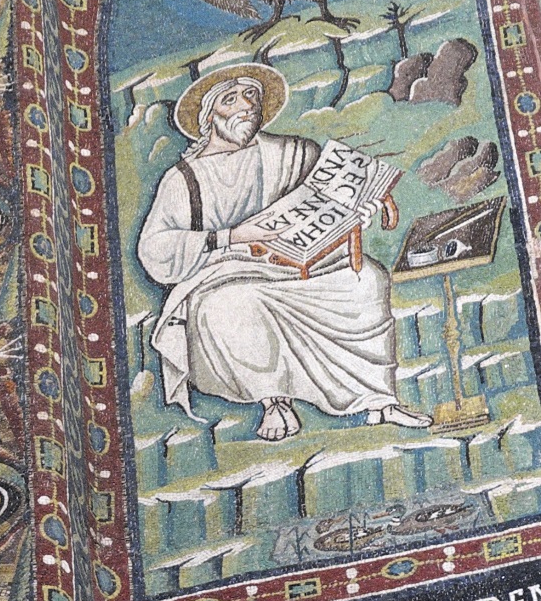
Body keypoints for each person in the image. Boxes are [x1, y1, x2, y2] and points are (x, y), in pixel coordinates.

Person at [137, 63, 432, 443]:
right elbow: (155, 249)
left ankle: (379, 400)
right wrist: (232, 236)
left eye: (251, 96)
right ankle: (274, 400)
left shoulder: (293, 152)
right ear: (209, 116)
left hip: (302, 265)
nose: (246, 107)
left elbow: (331, 200)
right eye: (231, 100)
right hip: (227, 275)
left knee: (366, 279)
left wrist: (362, 206)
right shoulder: (183, 179)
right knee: (231, 304)